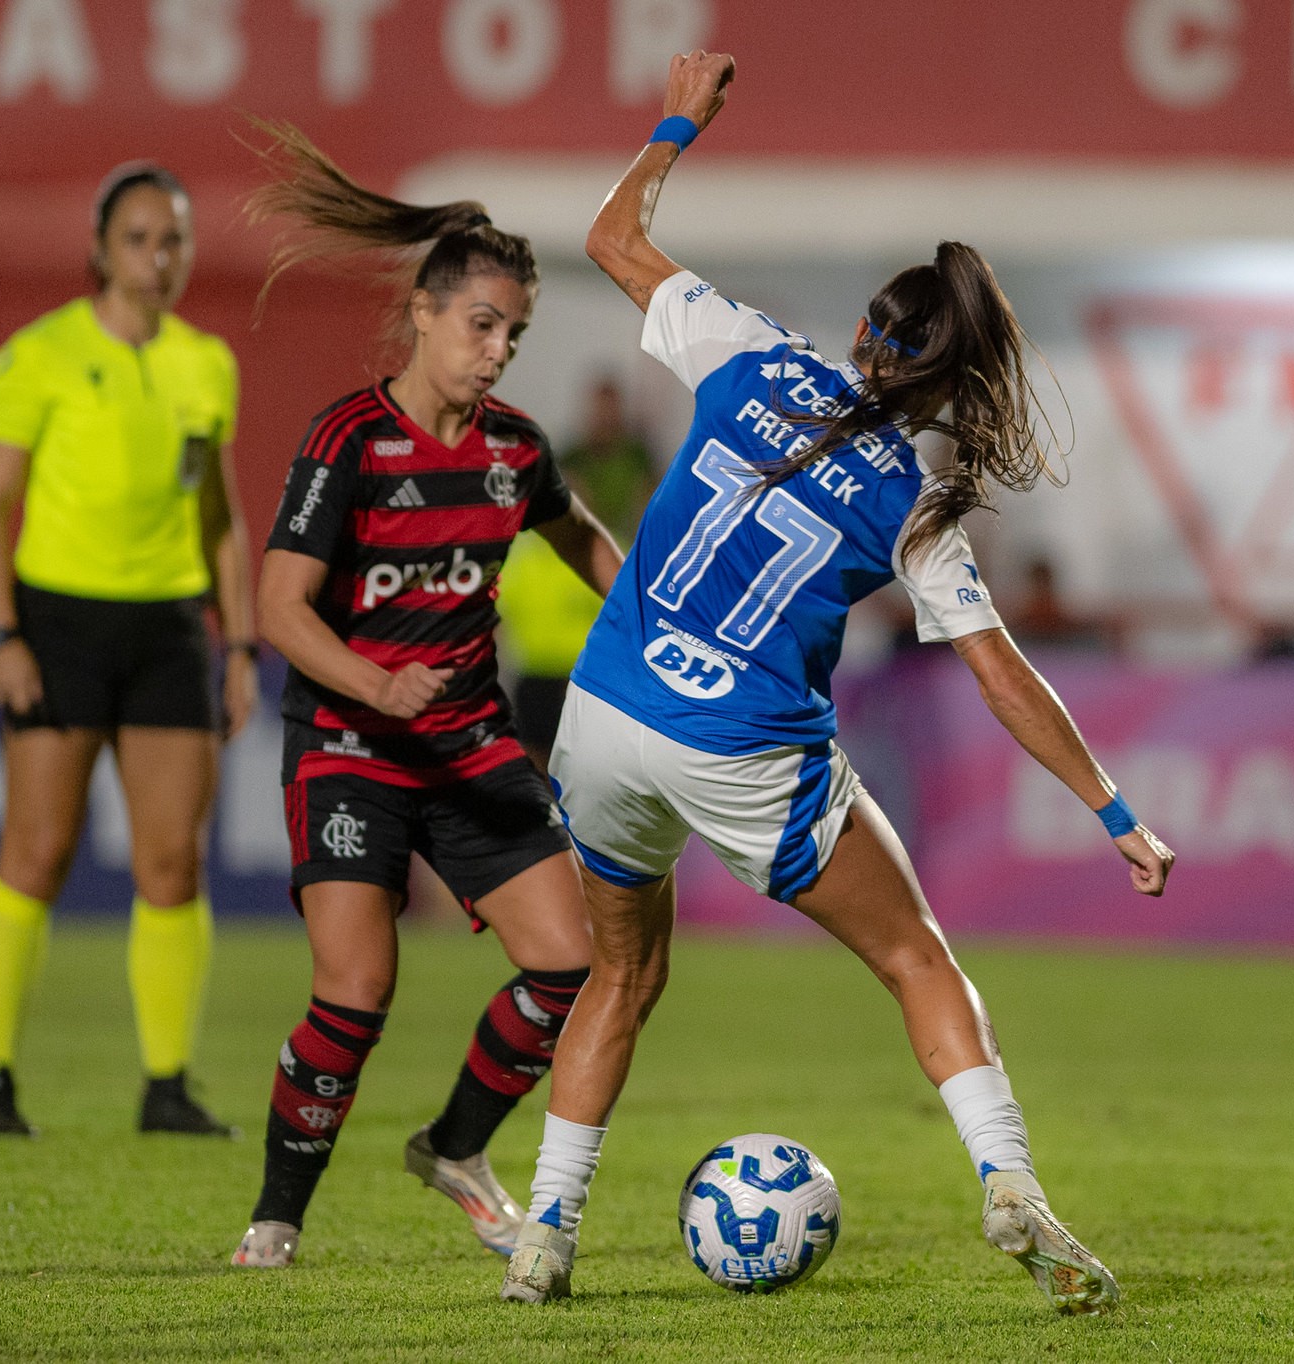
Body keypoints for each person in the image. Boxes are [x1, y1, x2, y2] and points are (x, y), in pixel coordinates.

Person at [499, 52, 1175, 1316]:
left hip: (601, 718)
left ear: (866, 327)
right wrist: (1112, 810)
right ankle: (1011, 1186)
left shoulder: (747, 355)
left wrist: (675, 124)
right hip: (742, 747)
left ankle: (545, 1233)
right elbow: (997, 671)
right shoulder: (917, 499)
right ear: (947, 376)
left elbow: (608, 235)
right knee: (917, 958)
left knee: (619, 974)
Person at [227, 124, 625, 1268]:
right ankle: (278, 1213)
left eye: (514, 331)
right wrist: (375, 684)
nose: (497, 349)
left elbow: (585, 541)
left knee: (569, 962)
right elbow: (280, 609)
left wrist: (657, 615)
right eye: (481, 324)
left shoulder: (514, 450)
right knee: (357, 986)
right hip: (350, 738)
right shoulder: (348, 438)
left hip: (469, 742)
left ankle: (454, 1147)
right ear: (423, 314)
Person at [0, 162, 258, 1137]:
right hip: (60, 621)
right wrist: (3, 633)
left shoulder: (204, 362)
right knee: (36, 850)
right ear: (100, 249)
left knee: (171, 861)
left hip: (170, 625)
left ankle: (166, 1083)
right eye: (137, 238)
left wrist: (241, 639)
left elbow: (218, 511)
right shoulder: (38, 354)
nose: (157, 256)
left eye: (172, 238)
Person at [498, 376, 658, 768]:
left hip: (590, 672)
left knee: (582, 765)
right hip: (539, 671)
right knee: (537, 758)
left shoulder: (637, 457)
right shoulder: (571, 457)